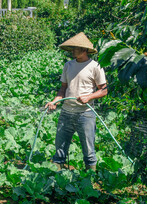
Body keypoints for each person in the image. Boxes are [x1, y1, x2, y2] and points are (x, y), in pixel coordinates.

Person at [45, 32, 107, 171]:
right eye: (72, 48)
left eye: (76, 48)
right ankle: (57, 179)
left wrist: (89, 97)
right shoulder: (68, 65)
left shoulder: (95, 66)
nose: (73, 51)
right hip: (66, 113)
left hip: (85, 114)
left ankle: (89, 182)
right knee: (60, 150)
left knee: (89, 151)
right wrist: (54, 101)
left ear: (84, 50)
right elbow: (63, 89)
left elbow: (104, 90)